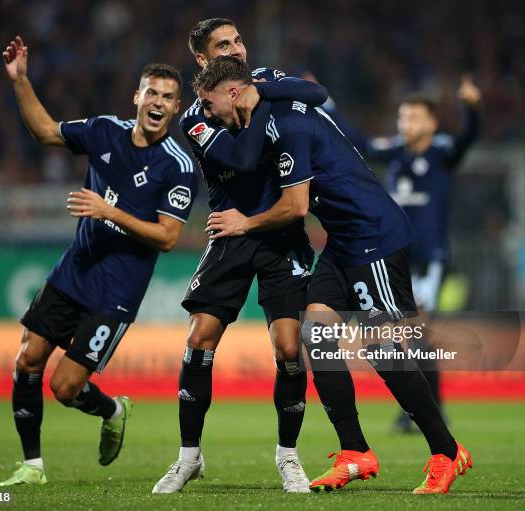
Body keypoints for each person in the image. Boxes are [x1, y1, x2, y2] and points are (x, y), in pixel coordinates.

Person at [202, 56, 473, 495]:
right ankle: (355, 451)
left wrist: (244, 223)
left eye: (210, 105)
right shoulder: (264, 113)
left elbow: (295, 207)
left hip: (374, 237)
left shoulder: (285, 126)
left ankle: (445, 451)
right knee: (317, 335)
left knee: (383, 350)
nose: (209, 114)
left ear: (233, 93)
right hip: (342, 242)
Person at [0, 36, 197, 486]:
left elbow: (167, 237)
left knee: (64, 387)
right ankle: (32, 467)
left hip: (116, 292)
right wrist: (22, 81)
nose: (158, 102)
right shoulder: (105, 129)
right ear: (137, 96)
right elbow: (45, 131)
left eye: (168, 97)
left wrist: (111, 212)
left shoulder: (178, 165)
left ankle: (112, 408)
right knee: (27, 359)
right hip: (75, 269)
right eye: (152, 92)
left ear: (176, 107)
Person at [152, 18, 328, 494]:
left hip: (281, 231)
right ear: (204, 60)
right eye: (223, 45)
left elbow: (317, 94)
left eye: (238, 40)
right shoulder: (195, 117)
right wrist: (261, 94)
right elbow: (244, 159)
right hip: (231, 232)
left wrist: (259, 88)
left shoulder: (259, 81)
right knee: (199, 337)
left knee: (290, 349)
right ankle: (189, 455)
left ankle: (288, 456)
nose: (237, 48)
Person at [308, 73, 481, 432]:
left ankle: (427, 410)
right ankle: (420, 409)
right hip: (391, 254)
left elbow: (467, 139)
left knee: (414, 332)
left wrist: (472, 109)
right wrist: (328, 105)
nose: (406, 123)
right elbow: (359, 142)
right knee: (403, 335)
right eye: (403, 117)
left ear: (432, 123)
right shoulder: (396, 151)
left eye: (415, 117)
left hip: (427, 257)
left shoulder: (441, 153)